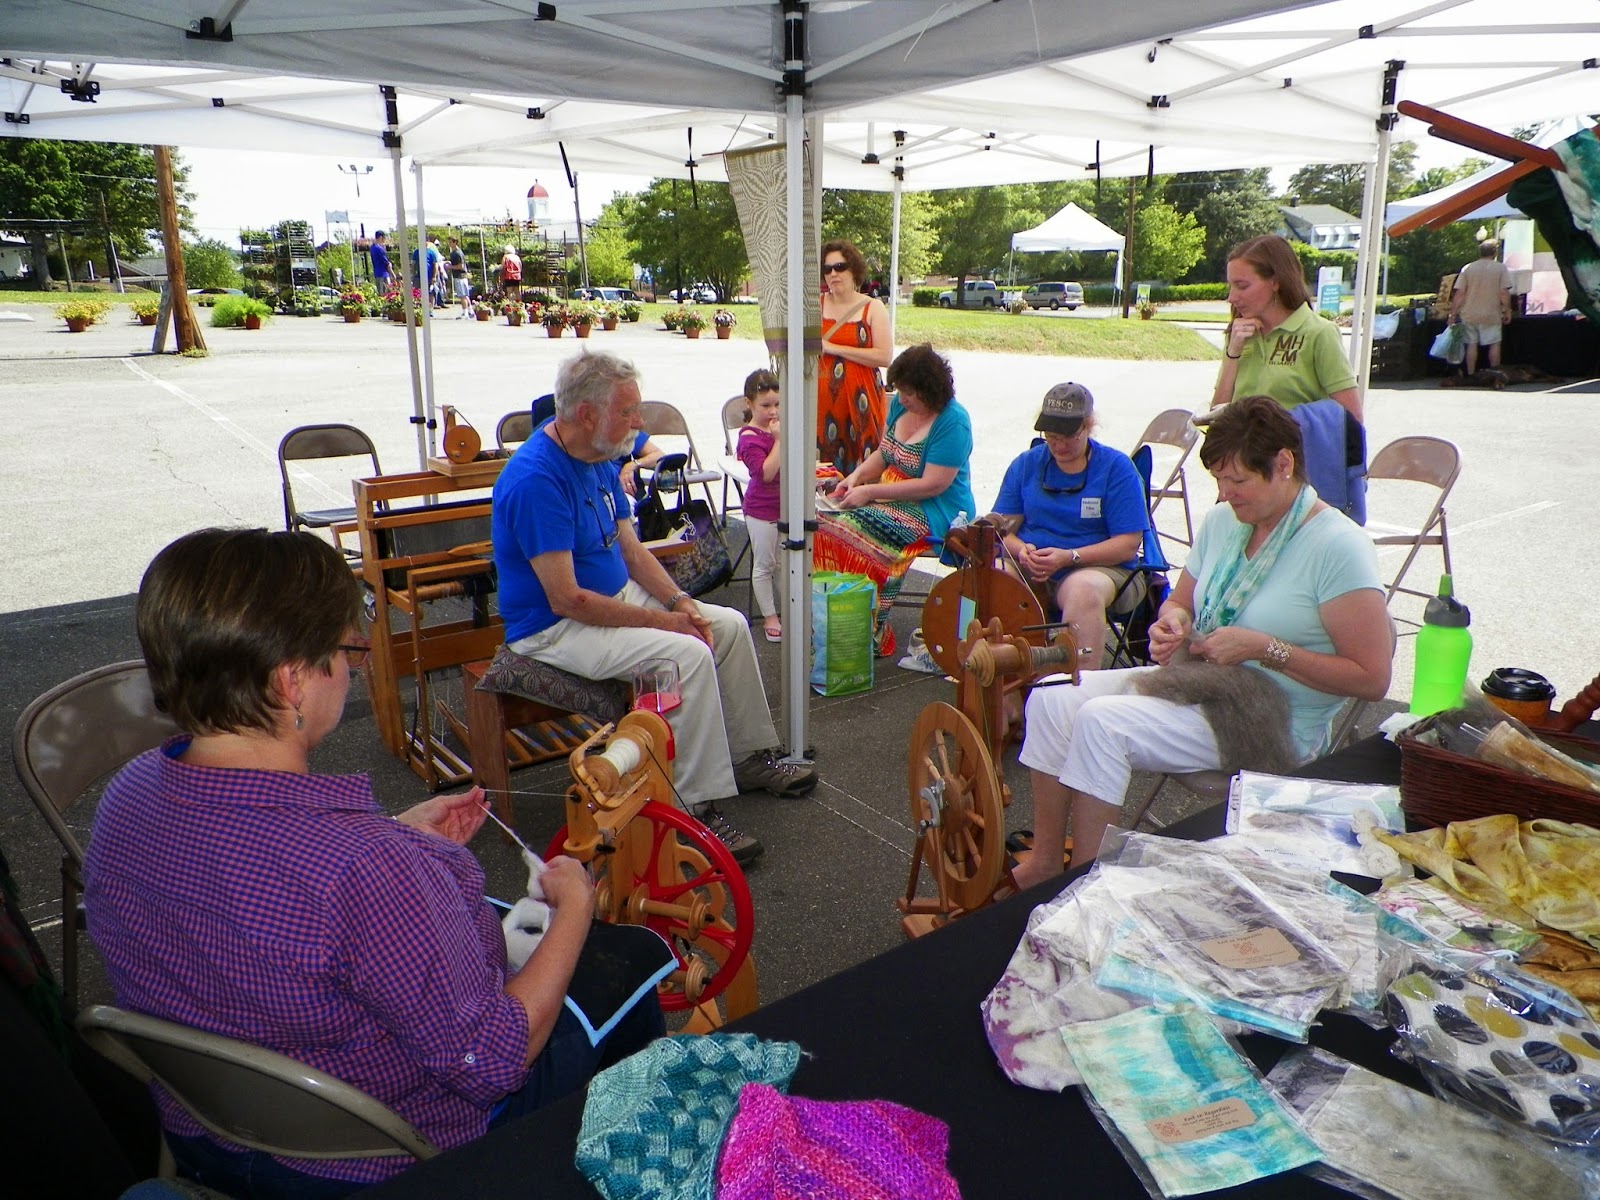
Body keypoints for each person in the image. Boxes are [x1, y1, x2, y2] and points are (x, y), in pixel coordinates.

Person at [81, 528, 665, 1198]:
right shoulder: (365, 869)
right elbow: (491, 1058)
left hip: (204, 1131)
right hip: (377, 1159)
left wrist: (399, 837)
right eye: (343, 652)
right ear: (290, 680)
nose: (351, 668)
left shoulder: (128, 796)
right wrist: (575, 910)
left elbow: (267, 885)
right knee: (624, 977)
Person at [1011, 396, 1392, 886]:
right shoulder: (1223, 523)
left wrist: (1263, 648)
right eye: (1219, 481)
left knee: (1101, 722)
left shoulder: (1338, 547)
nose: (1226, 494)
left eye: (1238, 481)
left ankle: (1084, 885)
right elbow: (1179, 603)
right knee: (1049, 699)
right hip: (1202, 682)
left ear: (1284, 464)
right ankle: (1045, 861)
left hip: (1272, 720)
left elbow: (1373, 678)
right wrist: (1170, 624)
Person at [493, 351, 818, 865]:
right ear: (586, 415)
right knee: (684, 655)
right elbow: (567, 598)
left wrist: (681, 602)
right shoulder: (537, 479)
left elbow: (630, 548)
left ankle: (748, 758)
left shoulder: (597, 456)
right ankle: (691, 808)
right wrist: (666, 622)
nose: (640, 423)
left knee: (727, 625)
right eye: (628, 412)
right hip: (554, 628)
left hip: (609, 601)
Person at [814, 343, 976, 659]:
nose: (900, 399)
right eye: (899, 391)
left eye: (909, 393)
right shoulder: (901, 408)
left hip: (936, 510)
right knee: (824, 524)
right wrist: (854, 479)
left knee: (854, 530)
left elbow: (932, 485)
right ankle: (835, 622)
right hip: (893, 496)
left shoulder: (953, 421)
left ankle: (868, 628)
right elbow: (884, 454)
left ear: (930, 392)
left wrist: (870, 491)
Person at [984, 383, 1151, 670]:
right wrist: (1022, 551)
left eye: (1068, 437)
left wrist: (1070, 556)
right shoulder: (1027, 464)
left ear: (1088, 426)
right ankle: (1005, 687)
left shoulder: (1116, 468)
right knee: (994, 576)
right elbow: (1003, 528)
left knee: (1083, 589)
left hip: (1100, 566)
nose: (1059, 445)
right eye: (1050, 436)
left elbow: (1127, 543)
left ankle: (1074, 693)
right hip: (1032, 564)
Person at [1211, 235, 1362, 423]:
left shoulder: (1320, 333)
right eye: (1230, 286)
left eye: (1242, 286)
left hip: (1296, 450)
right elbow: (1216, 416)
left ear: (1276, 282)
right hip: (1242, 451)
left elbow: (1352, 420)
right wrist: (1233, 353)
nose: (1231, 297)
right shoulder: (1239, 332)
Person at [819, 239, 890, 477]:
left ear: (853, 269)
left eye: (839, 267)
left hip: (863, 402)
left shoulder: (873, 307)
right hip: (823, 405)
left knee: (865, 467)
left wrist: (834, 348)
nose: (833, 274)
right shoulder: (815, 305)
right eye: (827, 269)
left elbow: (885, 356)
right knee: (823, 471)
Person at [736, 368, 784, 643]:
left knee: (784, 564)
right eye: (765, 405)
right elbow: (765, 473)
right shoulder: (749, 437)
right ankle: (770, 616)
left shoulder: (778, 429)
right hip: (761, 510)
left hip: (785, 507)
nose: (773, 411)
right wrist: (779, 441)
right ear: (749, 403)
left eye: (777, 404)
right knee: (765, 564)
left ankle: (791, 610)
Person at [1451, 239, 1514, 376]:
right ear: (1494, 253)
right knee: (1494, 343)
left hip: (1469, 313)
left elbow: (1460, 293)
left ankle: (1471, 374)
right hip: (1491, 313)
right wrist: (1508, 310)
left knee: (1471, 344)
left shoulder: (1468, 268)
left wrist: (1453, 313)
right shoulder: (1500, 268)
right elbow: (1503, 292)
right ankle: (1495, 373)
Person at [448, 235, 472, 318]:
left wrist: (450, 267)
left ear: (455, 242)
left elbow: (461, 266)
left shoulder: (458, 253)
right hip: (459, 276)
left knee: (462, 295)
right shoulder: (453, 253)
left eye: (450, 242)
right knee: (465, 294)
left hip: (460, 276)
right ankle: (470, 310)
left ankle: (465, 312)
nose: (449, 244)